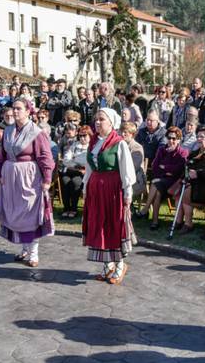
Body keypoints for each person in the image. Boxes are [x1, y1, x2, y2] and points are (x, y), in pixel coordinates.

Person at [0, 98, 55, 268]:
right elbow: (2, 155)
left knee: (30, 212)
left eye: (19, 108)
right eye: (14, 108)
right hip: (10, 177)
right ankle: (24, 248)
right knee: (15, 212)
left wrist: (47, 179)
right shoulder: (8, 131)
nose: (15, 111)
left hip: (29, 177)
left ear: (28, 111)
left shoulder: (37, 132)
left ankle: (33, 251)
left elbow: (45, 157)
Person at [82, 109, 136, 284]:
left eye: (101, 119)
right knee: (99, 225)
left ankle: (120, 265)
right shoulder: (93, 143)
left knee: (113, 225)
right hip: (96, 190)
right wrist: (85, 188)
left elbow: (127, 171)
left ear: (111, 122)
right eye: (96, 119)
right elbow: (89, 168)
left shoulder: (118, 143)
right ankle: (108, 265)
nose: (97, 122)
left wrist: (127, 194)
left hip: (113, 190)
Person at [170, 126, 205, 238]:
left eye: (202, 137)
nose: (199, 139)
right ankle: (178, 221)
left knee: (186, 192)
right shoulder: (196, 152)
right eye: (198, 136)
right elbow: (188, 165)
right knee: (180, 191)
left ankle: (188, 224)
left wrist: (198, 174)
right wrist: (187, 172)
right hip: (196, 184)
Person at [136, 127, 188, 230]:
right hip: (161, 180)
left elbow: (178, 170)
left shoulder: (183, 152)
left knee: (155, 184)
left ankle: (146, 210)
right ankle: (154, 221)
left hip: (174, 182)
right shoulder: (162, 150)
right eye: (169, 138)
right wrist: (167, 169)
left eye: (174, 138)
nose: (171, 141)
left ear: (179, 140)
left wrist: (164, 167)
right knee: (157, 191)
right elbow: (155, 167)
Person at [59, 125, 91, 218]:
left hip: (83, 173)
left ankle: (73, 209)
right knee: (65, 182)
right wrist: (76, 165)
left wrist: (74, 160)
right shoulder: (75, 145)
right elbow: (66, 159)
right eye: (80, 135)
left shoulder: (91, 147)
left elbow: (86, 161)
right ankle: (66, 208)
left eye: (84, 135)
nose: (82, 138)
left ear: (89, 135)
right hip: (70, 170)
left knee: (76, 183)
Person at [119, 122, 147, 201]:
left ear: (132, 134)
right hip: (121, 178)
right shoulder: (118, 145)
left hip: (135, 181)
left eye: (125, 132)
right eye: (121, 132)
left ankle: (128, 209)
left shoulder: (137, 148)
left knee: (119, 191)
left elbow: (133, 168)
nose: (122, 134)